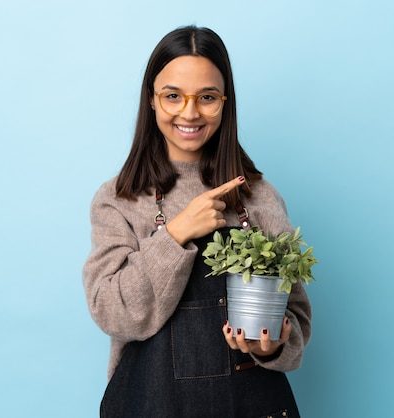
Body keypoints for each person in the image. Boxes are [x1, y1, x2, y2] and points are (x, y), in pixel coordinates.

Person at [82, 25, 312, 417]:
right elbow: (114, 314)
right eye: (173, 96)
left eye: (207, 97)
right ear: (152, 101)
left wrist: (271, 345)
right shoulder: (118, 198)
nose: (189, 112)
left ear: (225, 102)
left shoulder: (258, 195)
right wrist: (175, 234)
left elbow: (296, 322)